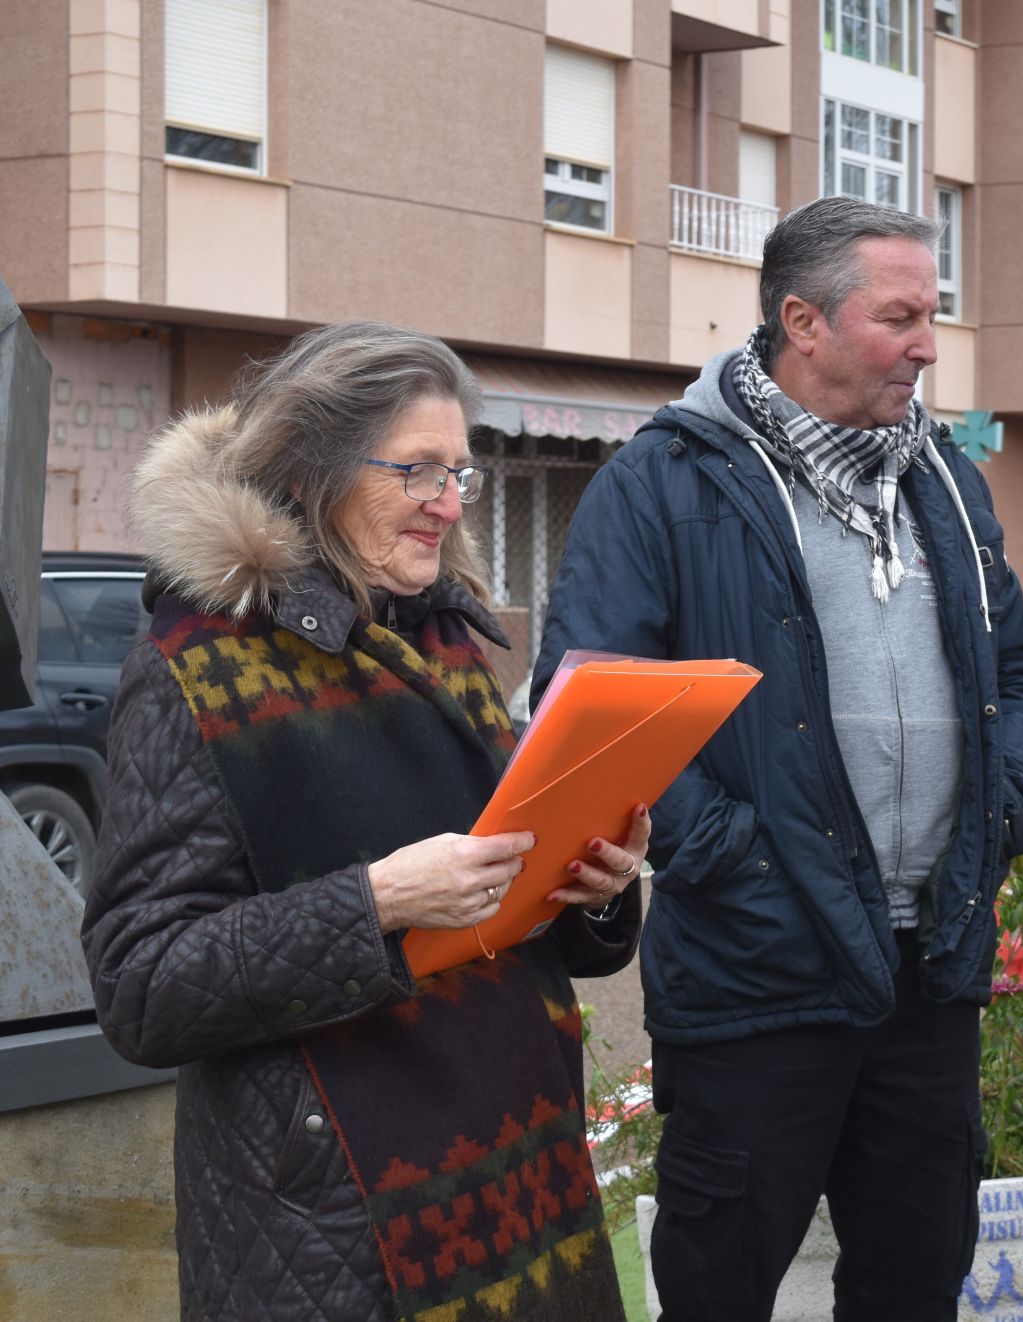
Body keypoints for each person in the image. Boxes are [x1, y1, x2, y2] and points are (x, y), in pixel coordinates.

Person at [534, 195, 1023, 1320]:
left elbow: (1018, 673)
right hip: (757, 977)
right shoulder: (666, 480)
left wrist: (1010, 798)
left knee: (912, 1289)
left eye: (935, 314)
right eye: (901, 315)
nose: (928, 344)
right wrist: (745, 858)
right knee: (719, 1295)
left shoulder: (948, 484)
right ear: (801, 321)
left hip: (932, 975)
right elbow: (588, 708)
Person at [81, 322, 649, 1321]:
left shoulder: (447, 638)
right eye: (416, 470)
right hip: (339, 1213)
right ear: (312, 472)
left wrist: (593, 886)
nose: (446, 502)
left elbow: (506, 900)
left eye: (459, 473)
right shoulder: (188, 672)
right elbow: (142, 986)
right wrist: (377, 900)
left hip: (514, 1181)